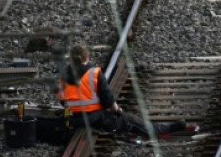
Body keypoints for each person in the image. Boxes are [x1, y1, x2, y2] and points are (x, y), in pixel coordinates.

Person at [56, 45, 191, 137]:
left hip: (75, 119)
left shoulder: (62, 77)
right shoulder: (93, 73)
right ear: (86, 57)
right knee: (130, 120)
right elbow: (107, 98)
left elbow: (63, 101)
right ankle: (165, 129)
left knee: (121, 118)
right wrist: (118, 111)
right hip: (95, 118)